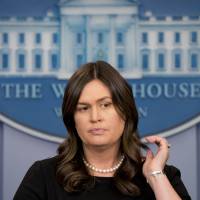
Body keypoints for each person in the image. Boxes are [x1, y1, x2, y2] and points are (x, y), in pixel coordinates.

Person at [13, 61, 191, 200]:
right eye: (83, 108)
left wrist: (155, 176)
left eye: (106, 105)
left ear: (125, 111)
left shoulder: (161, 174)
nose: (95, 117)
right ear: (71, 118)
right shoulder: (44, 176)